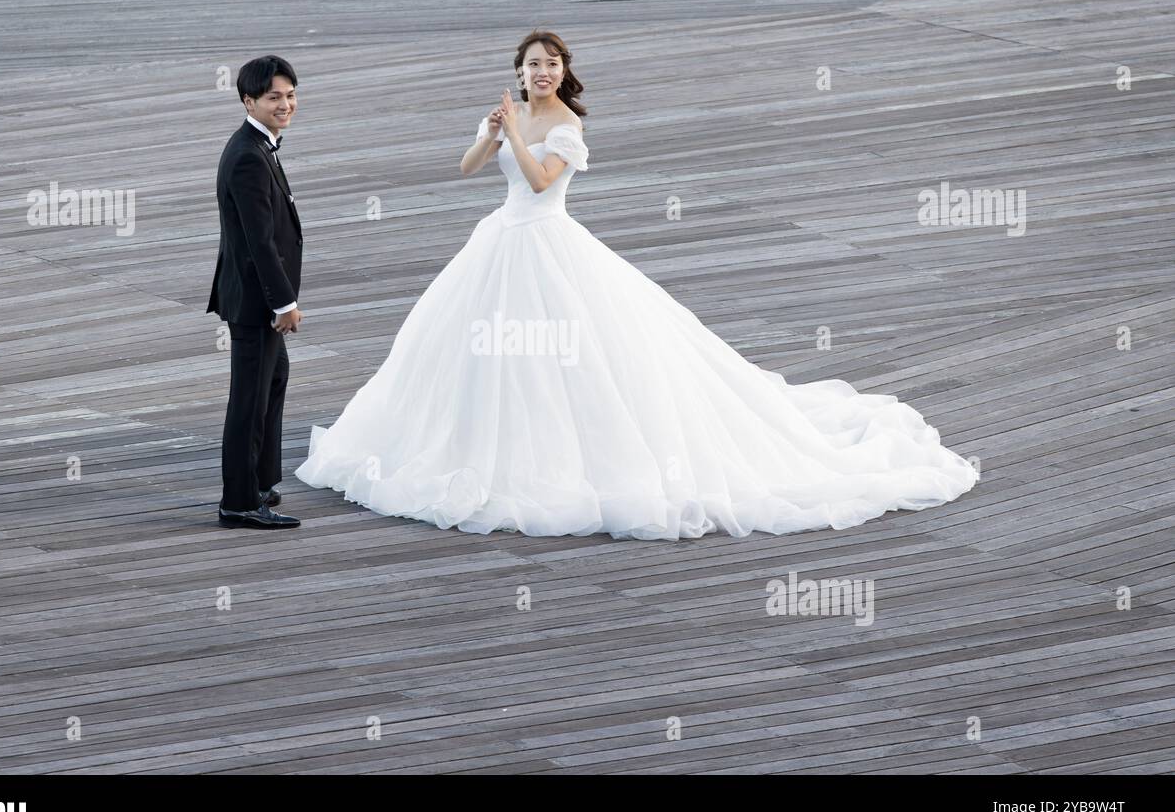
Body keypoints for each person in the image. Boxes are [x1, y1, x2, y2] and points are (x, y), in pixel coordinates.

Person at [295, 30, 978, 540]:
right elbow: (469, 164)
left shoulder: (566, 126)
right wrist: (493, 129)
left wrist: (522, 137)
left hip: (549, 244)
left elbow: (539, 182)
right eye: (532, 64)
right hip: (499, 241)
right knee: (485, 357)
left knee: (576, 356)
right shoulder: (512, 114)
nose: (540, 73)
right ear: (519, 71)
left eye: (550, 64)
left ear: (564, 72)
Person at [208, 55, 304, 529]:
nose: (284, 104)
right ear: (249, 101)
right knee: (248, 397)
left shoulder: (259, 145)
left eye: (289, 95)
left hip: (254, 296)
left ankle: (261, 480)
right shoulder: (248, 156)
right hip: (255, 302)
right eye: (273, 98)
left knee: (274, 379)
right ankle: (239, 501)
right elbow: (258, 242)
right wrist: (283, 303)